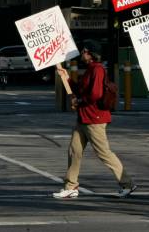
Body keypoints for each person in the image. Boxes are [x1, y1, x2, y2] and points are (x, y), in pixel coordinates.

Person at [52, 40, 136, 199]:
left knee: (104, 153)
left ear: (90, 53)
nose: (81, 53)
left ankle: (127, 184)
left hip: (95, 119)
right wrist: (66, 77)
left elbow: (95, 94)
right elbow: (80, 89)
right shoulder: (90, 69)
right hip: (84, 118)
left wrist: (80, 102)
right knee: (74, 150)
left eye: (84, 51)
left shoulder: (97, 69)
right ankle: (71, 186)